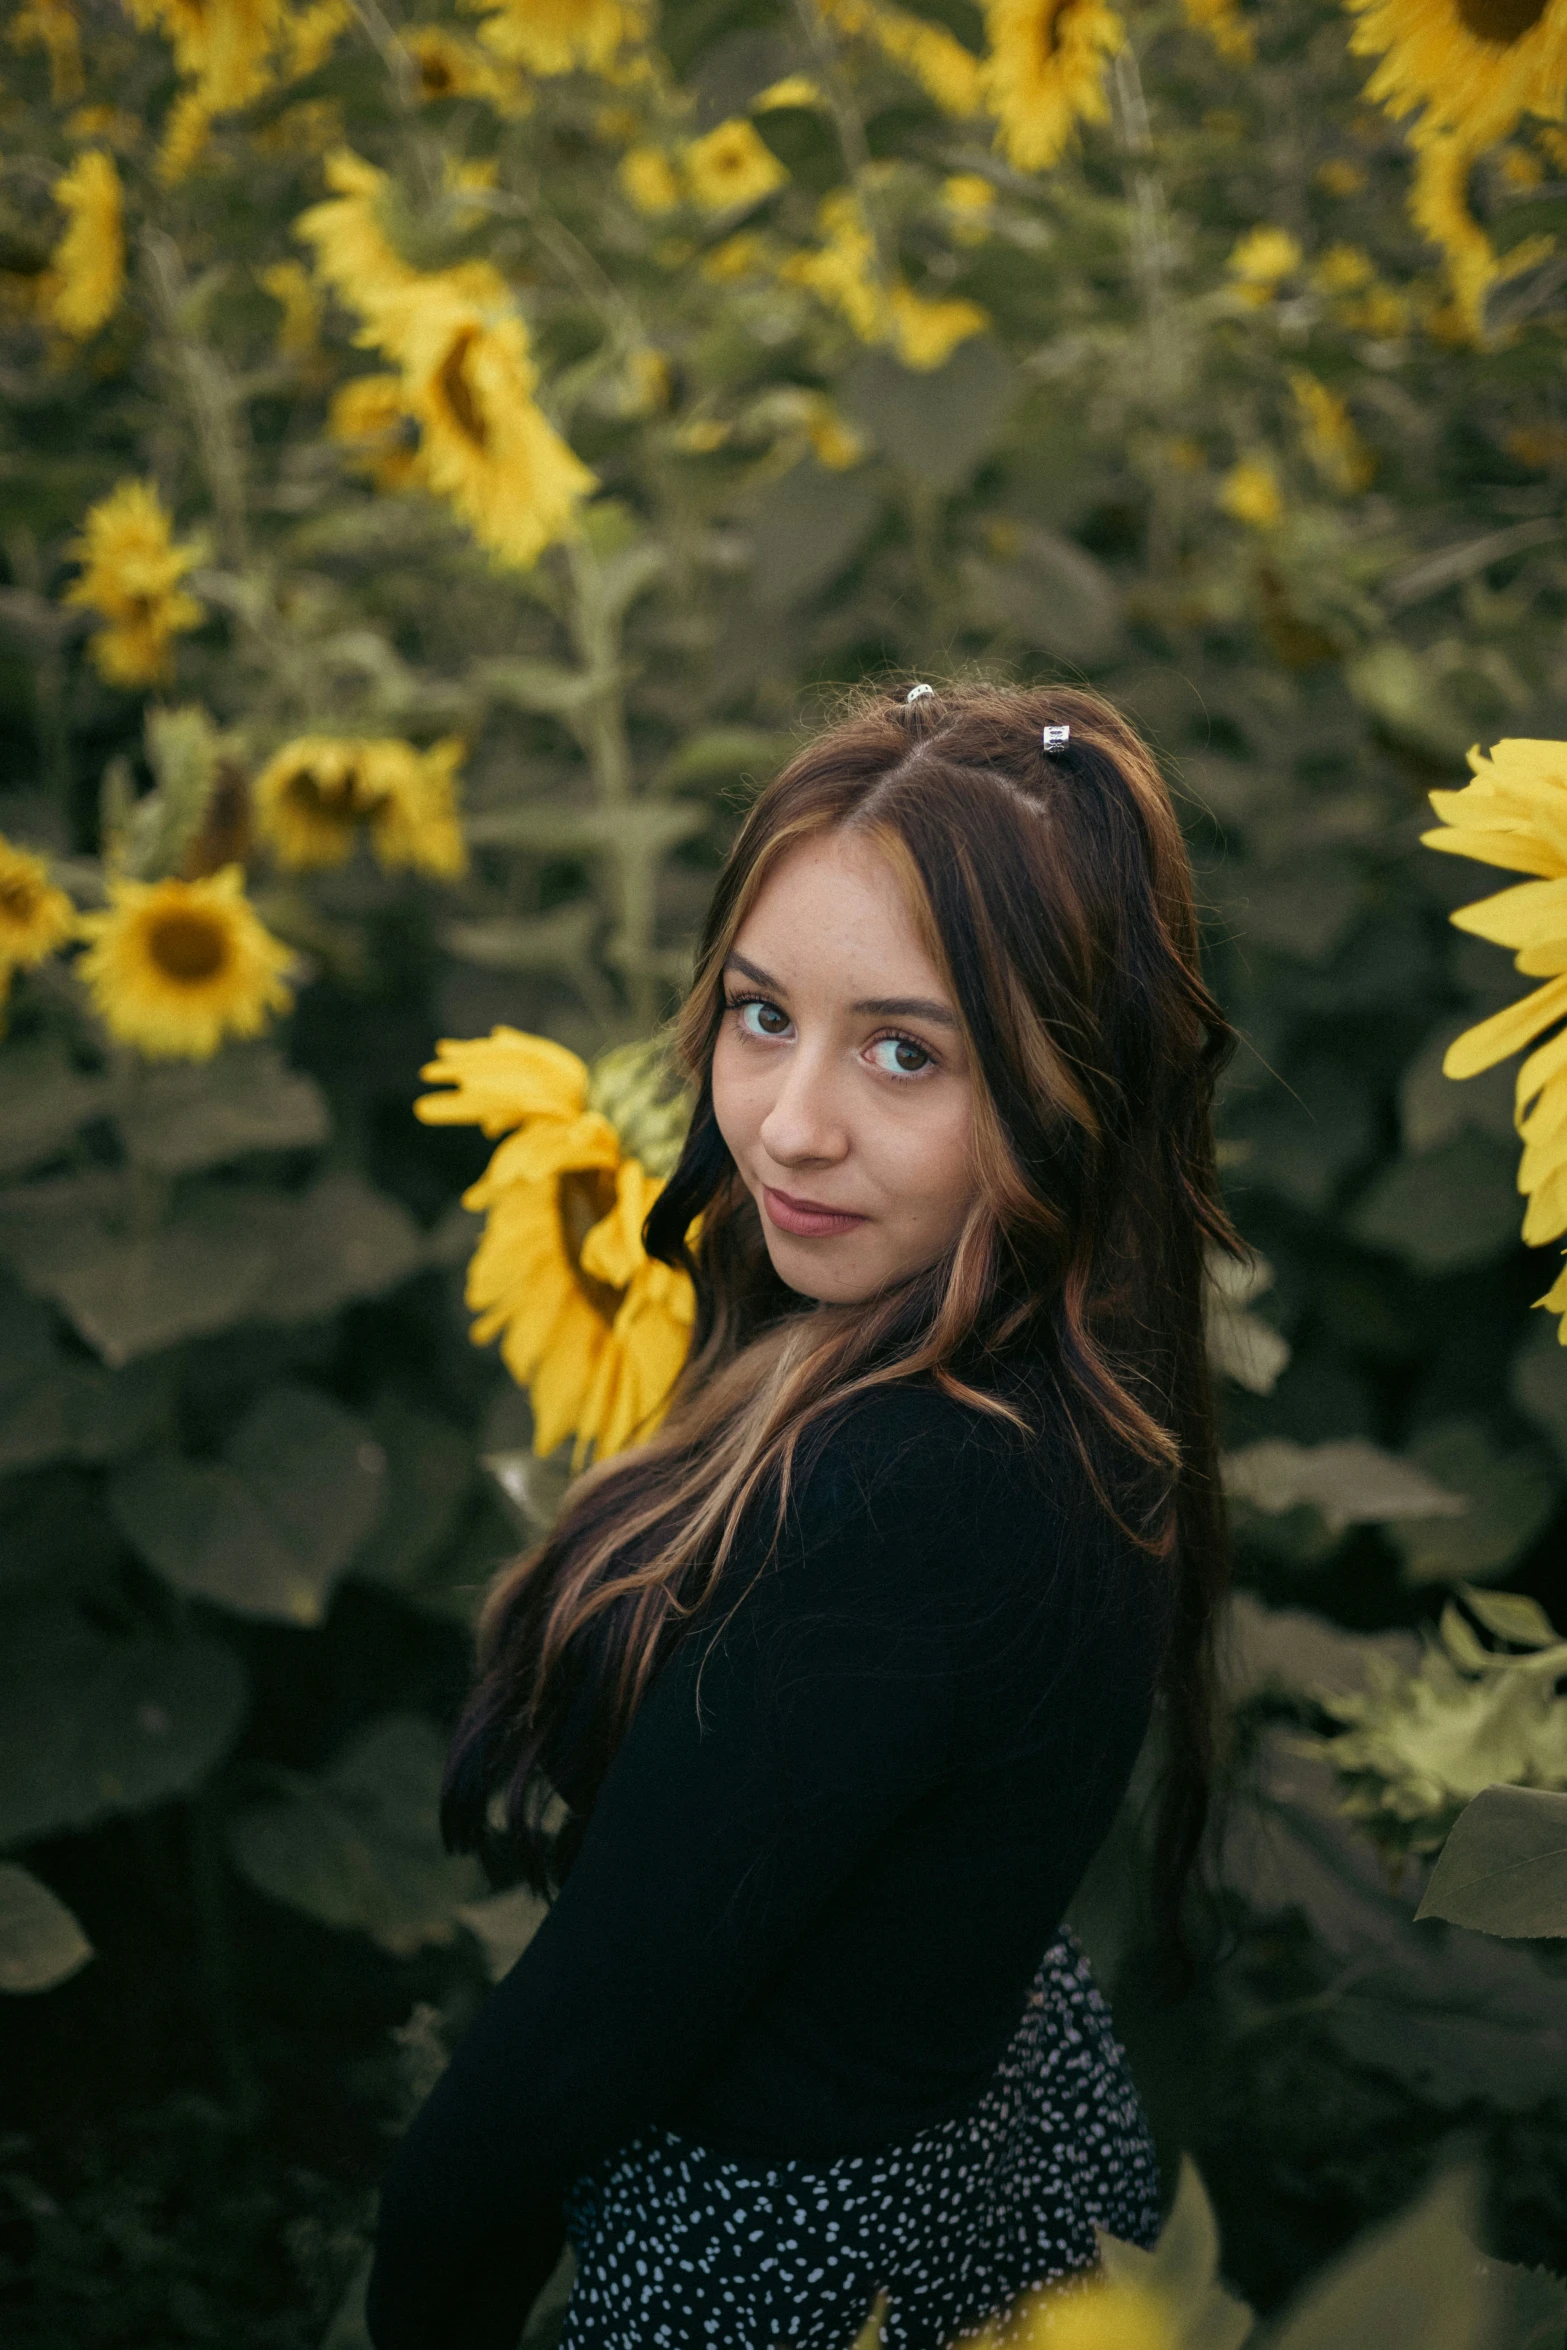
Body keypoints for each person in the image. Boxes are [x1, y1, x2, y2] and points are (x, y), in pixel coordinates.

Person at [364, 681, 1237, 2350]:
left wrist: (422, 2290)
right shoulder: (1088, 1370)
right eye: (762, 1015)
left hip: (786, 2256)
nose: (786, 1123)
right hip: (989, 2114)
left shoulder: (895, 1507)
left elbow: (575, 2048)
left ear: (1068, 1089)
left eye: (904, 1049)